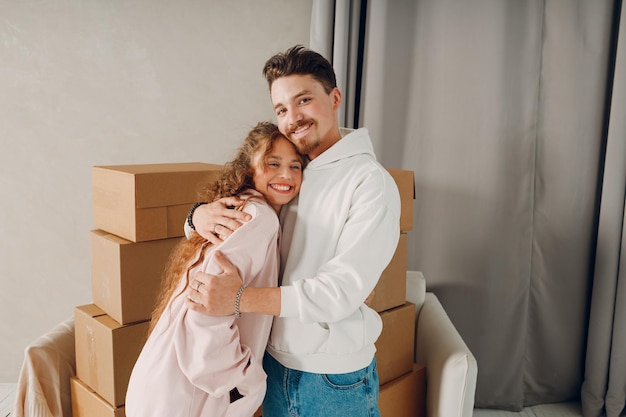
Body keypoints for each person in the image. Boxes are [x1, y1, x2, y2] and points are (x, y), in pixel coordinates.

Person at [186, 45, 401, 417]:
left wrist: (238, 299)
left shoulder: (370, 183)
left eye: (304, 100)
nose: (293, 118)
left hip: (331, 379)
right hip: (271, 362)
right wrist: (197, 217)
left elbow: (338, 293)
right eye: (282, 109)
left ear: (334, 98)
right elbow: (239, 210)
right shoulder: (291, 170)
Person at [125, 122, 305, 417]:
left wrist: (194, 216)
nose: (286, 175)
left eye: (295, 166)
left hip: (163, 381)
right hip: (188, 395)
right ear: (250, 168)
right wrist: (245, 383)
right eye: (273, 163)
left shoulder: (241, 208)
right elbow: (204, 308)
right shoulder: (260, 219)